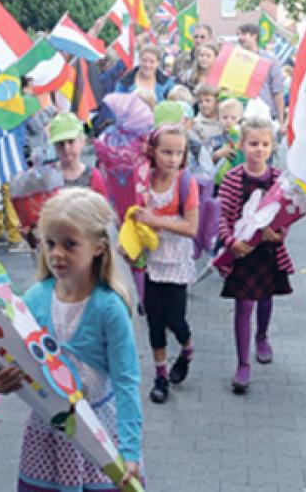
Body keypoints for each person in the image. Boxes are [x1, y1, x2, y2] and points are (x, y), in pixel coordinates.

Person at [0, 188, 143, 491]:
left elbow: (126, 381)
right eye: (50, 243)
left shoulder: (109, 307)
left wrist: (130, 452)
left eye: (70, 244)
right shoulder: (33, 299)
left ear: (99, 247)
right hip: (45, 434)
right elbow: (10, 360)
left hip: (100, 435)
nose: (57, 253)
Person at [217, 118, 294, 394]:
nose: (258, 149)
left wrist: (279, 233)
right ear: (242, 145)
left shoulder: (278, 180)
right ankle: (242, 362)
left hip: (267, 251)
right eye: (253, 143)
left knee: (265, 297)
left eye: (264, 144)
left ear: (272, 147)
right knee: (243, 305)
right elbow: (223, 216)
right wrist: (230, 242)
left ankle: (262, 336)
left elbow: (287, 214)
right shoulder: (233, 178)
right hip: (243, 252)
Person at [133, 123, 199, 404]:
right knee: (154, 322)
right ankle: (160, 376)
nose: (172, 159)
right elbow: (132, 216)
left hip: (176, 262)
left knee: (176, 320)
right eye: (166, 152)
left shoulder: (185, 182)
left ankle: (187, 349)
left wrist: (156, 220)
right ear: (153, 151)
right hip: (151, 262)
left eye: (178, 153)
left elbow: (191, 227)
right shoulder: (142, 180)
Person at [237, 24, 286, 134]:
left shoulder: (270, 60)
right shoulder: (235, 59)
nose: (240, 38)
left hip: (266, 117)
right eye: (238, 35)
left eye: (244, 34)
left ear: (254, 36)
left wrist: (281, 121)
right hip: (241, 116)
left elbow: (277, 92)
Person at [48, 113, 107, 195]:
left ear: (82, 141)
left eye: (71, 141)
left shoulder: (94, 177)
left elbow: (102, 206)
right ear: (54, 146)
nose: (66, 148)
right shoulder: (48, 175)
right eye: (60, 143)